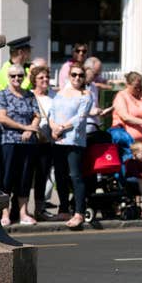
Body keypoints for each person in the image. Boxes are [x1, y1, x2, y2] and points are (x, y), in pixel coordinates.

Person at [48, 62, 93, 229]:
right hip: (58, 140)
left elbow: (80, 118)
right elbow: (51, 113)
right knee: (60, 176)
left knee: (75, 175)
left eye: (80, 75)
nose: (77, 78)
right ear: (69, 76)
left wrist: (60, 128)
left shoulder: (85, 95)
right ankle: (64, 208)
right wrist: (53, 127)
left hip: (74, 140)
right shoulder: (59, 93)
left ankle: (79, 212)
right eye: (74, 75)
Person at [0, 64, 40, 227]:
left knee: (25, 177)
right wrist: (25, 127)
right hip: (8, 141)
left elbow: (37, 115)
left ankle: (23, 212)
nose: (17, 79)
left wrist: (31, 130)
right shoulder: (3, 95)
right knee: (7, 178)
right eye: (13, 76)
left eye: (20, 76)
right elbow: (2, 118)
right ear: (8, 77)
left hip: (28, 142)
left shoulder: (29, 95)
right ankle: (5, 212)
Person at [30, 65, 58, 220]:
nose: (45, 80)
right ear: (34, 80)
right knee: (26, 178)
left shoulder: (54, 96)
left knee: (42, 177)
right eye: (41, 77)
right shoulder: (29, 96)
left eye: (47, 77)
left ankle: (39, 210)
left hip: (48, 142)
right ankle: (19, 210)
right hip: (31, 142)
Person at [112, 71, 142, 149]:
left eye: (140, 86)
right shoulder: (121, 96)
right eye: (135, 87)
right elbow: (126, 117)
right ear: (128, 85)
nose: (138, 89)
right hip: (129, 145)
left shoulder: (141, 97)